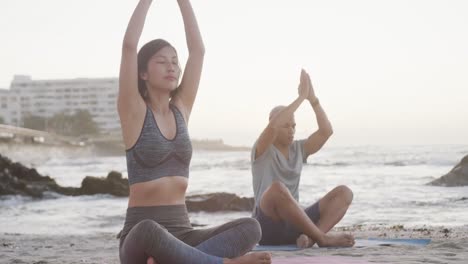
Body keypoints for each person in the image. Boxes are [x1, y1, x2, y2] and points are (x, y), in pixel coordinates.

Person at [117, 1, 271, 263]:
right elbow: (129, 46)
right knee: (148, 230)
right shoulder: (133, 110)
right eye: (162, 62)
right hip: (140, 237)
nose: (172, 67)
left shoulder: (181, 109)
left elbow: (197, 51)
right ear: (142, 72)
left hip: (183, 234)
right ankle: (222, 263)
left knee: (251, 227)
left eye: (175, 62)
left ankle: (178, 259)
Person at [251, 69, 355, 248]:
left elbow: (326, 131)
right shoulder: (262, 148)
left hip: (296, 225)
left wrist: (312, 99)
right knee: (276, 189)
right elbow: (274, 124)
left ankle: (311, 239)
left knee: (344, 193)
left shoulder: (300, 148)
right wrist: (300, 97)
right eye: (286, 125)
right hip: (267, 226)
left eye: (294, 125)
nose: (291, 130)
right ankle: (323, 239)